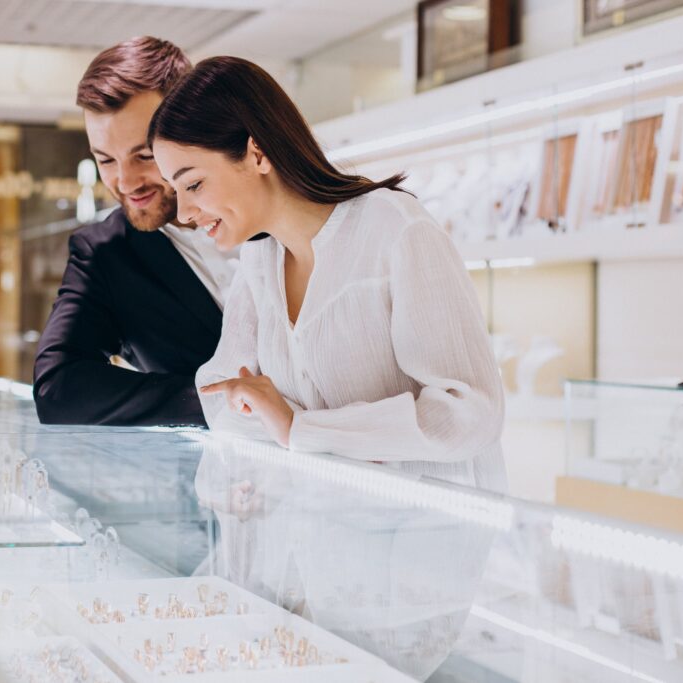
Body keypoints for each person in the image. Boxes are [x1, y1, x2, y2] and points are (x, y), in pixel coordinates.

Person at [149, 57, 506, 492]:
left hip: (423, 544)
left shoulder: (394, 229)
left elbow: (469, 413)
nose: (184, 213)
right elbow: (220, 398)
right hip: (320, 537)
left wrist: (299, 427)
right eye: (175, 191)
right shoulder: (259, 261)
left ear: (256, 152)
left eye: (194, 184)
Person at [33, 37, 239, 427]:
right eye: (105, 160)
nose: (125, 182)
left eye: (144, 155)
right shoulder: (105, 253)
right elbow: (58, 388)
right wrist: (220, 402)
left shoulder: (271, 214)